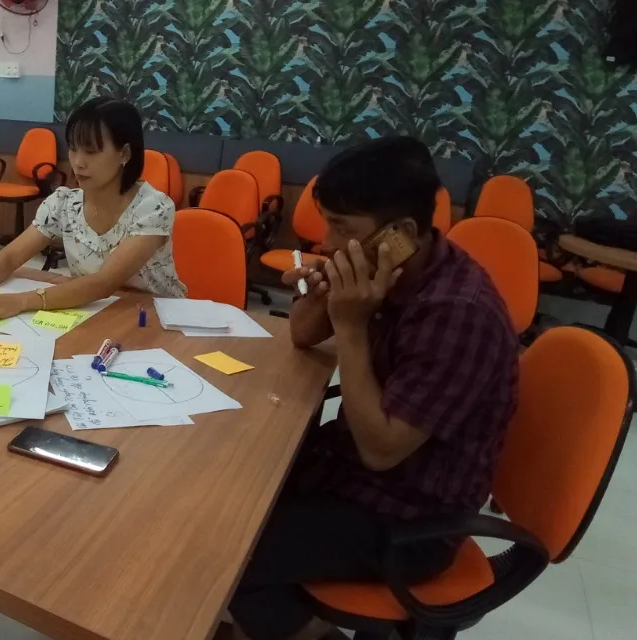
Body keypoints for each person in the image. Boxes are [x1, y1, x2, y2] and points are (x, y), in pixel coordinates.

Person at [219, 137, 519, 640]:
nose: (328, 242)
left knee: (231, 552)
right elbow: (302, 334)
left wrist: (352, 326)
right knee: (228, 482)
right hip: (353, 473)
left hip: (410, 516)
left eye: (342, 228)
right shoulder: (392, 268)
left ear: (401, 233)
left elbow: (381, 451)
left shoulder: (457, 312)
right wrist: (324, 291)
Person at [0, 97, 185, 323]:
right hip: (92, 312)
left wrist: (21, 301)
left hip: (155, 319)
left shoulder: (153, 208)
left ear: (125, 154)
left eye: (91, 151)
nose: (78, 162)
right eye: (73, 148)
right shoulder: (64, 203)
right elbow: (10, 257)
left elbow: (104, 282)